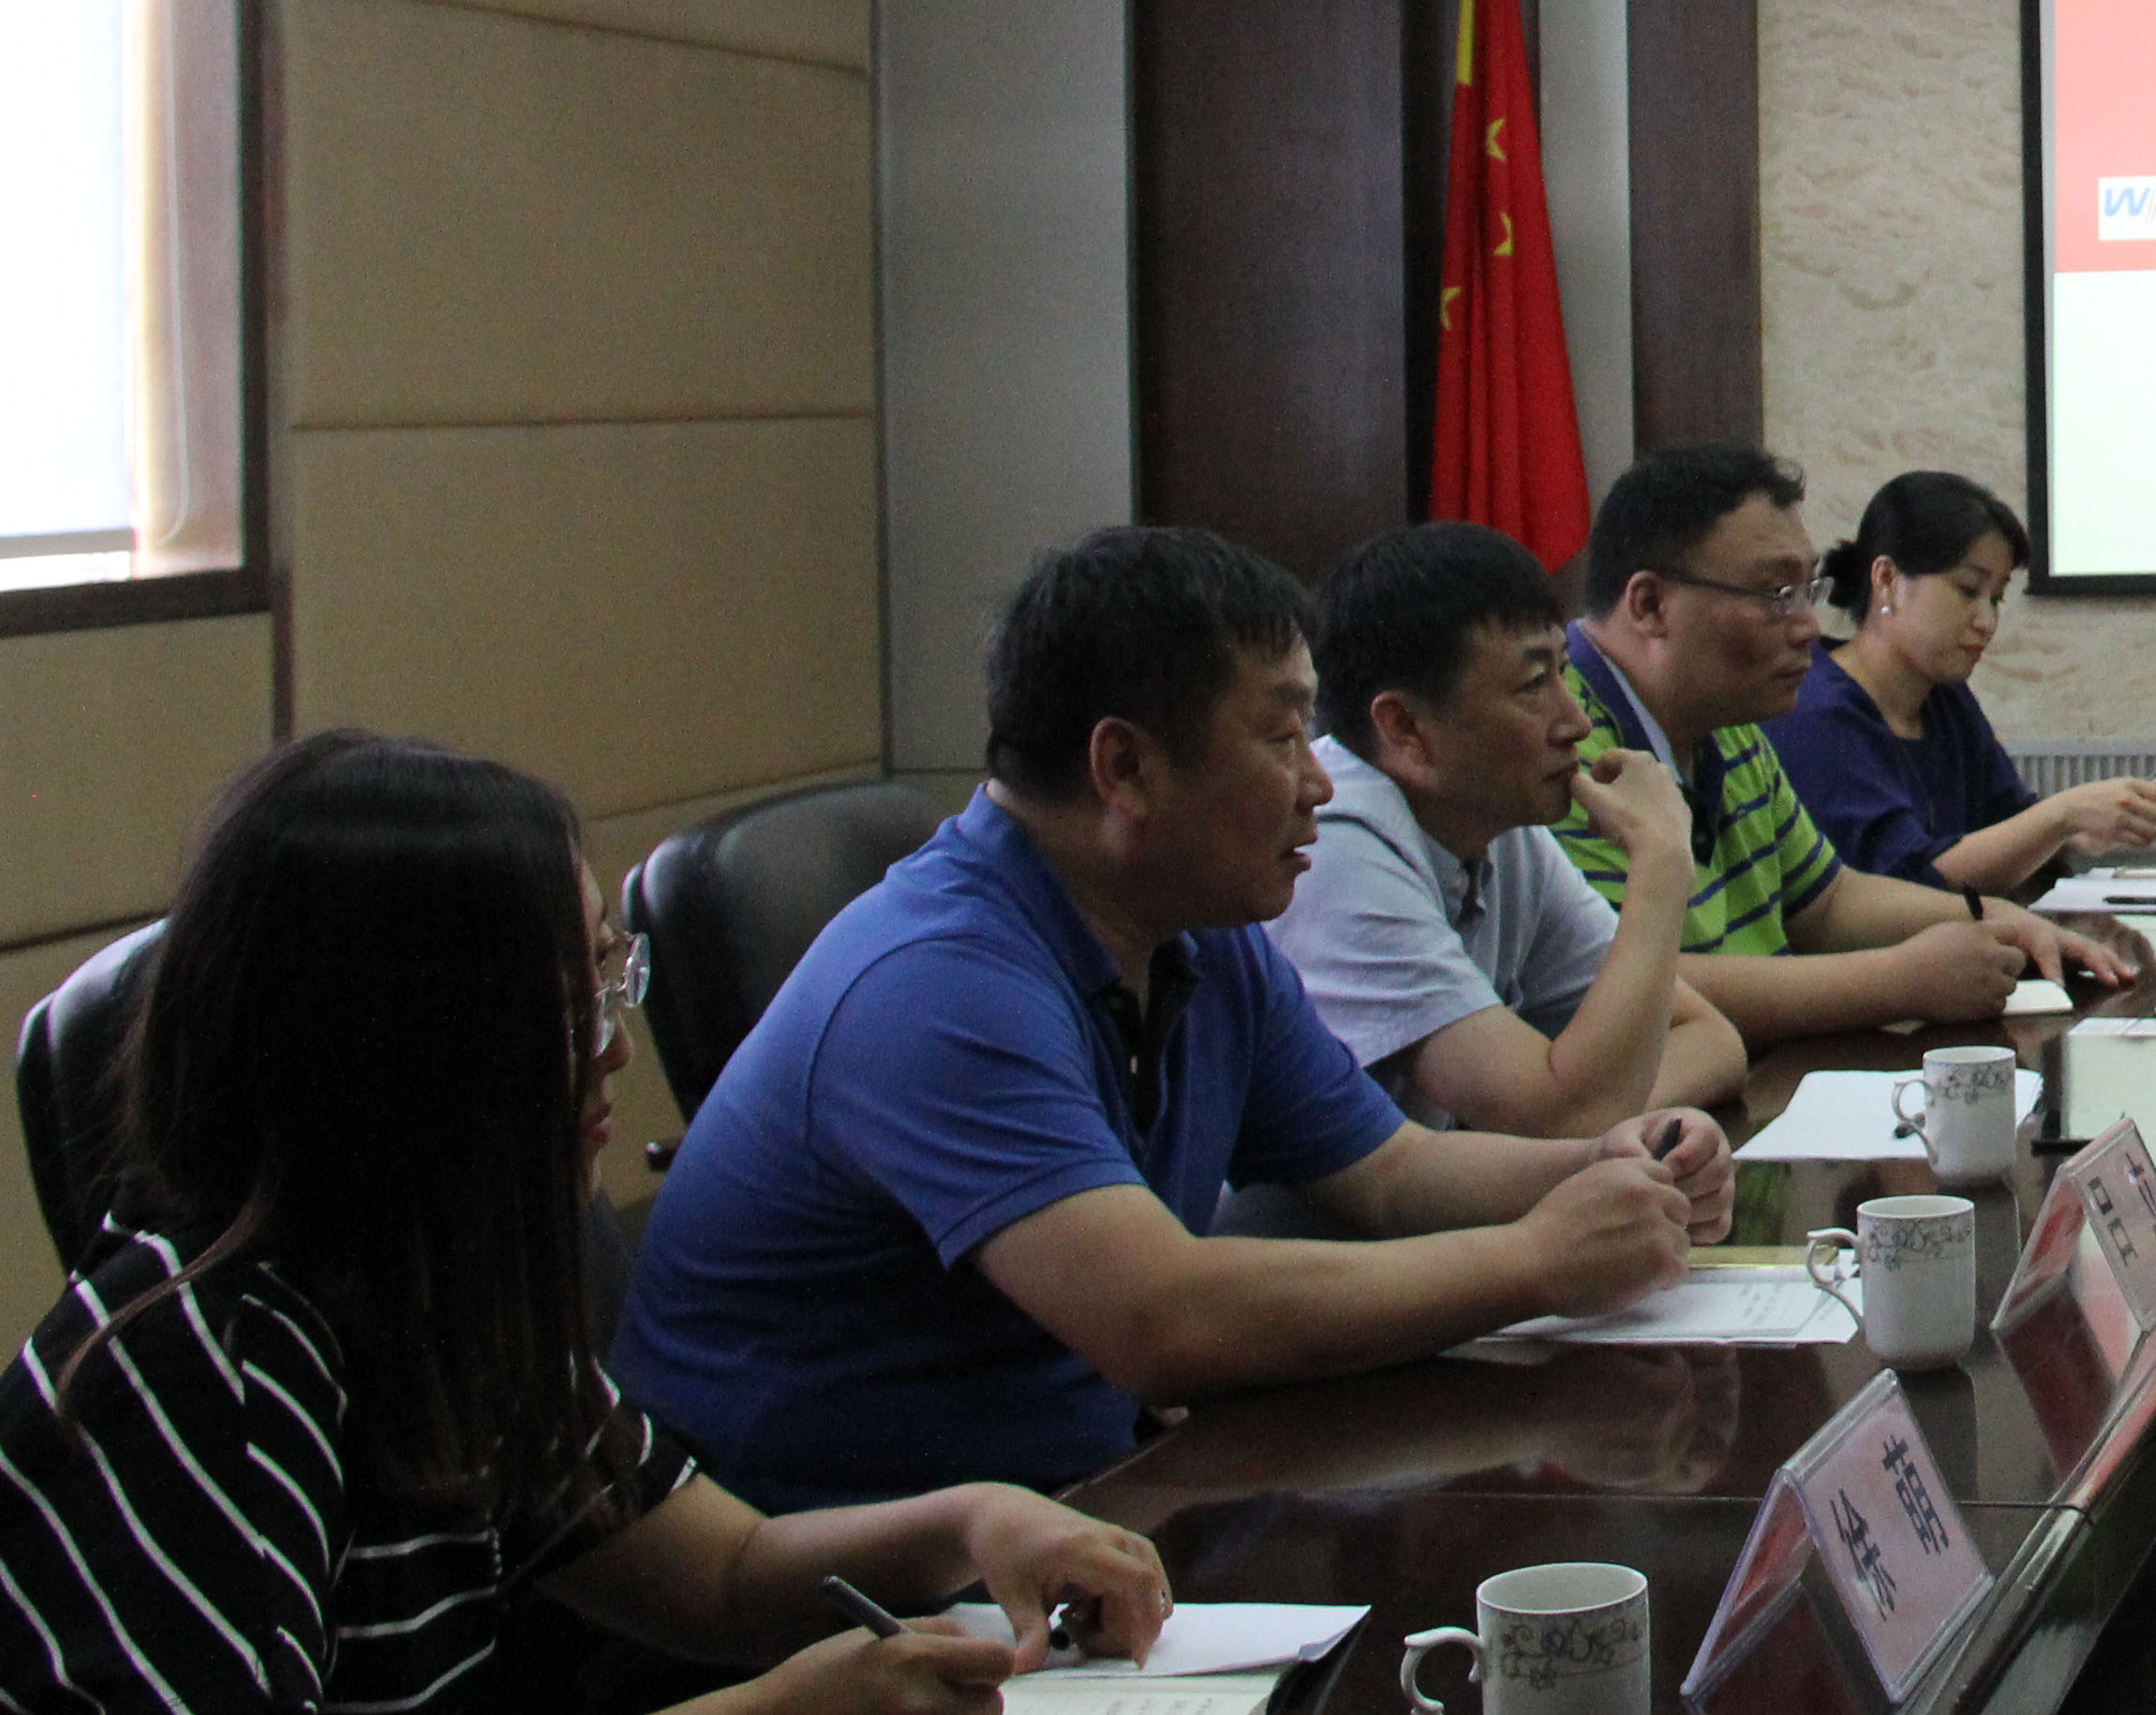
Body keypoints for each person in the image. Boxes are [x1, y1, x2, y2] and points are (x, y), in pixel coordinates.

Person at [0, 735, 1171, 1715]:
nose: (614, 1050)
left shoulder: (430, 1290)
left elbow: (720, 1575)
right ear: (391, 1045)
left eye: (612, 976)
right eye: (567, 1010)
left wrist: (973, 1521)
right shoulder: (196, 1353)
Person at [616, 526, 1732, 1511]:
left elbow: (1391, 1174)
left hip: (1075, 1506)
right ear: (1126, 768)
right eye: (1281, 738)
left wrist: (1613, 1165)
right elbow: (1164, 1322)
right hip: (843, 1585)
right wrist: (1537, 1261)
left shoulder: (1199, 930)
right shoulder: (935, 983)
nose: (1320, 783)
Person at [1553, 447, 2137, 1046]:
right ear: (1651, 605)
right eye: (1777, 593)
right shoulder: (1559, 743)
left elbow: (1827, 901)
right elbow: (1622, 986)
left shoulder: (1728, 723)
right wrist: (1897, 981)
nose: (1809, 626)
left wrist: (1993, 917)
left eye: (1808, 590)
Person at [1267, 521, 1750, 1137]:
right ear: (1405, 727)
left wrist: (1604, 1112)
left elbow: (1710, 1040)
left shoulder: (1496, 821)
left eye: (1563, 673)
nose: (1575, 722)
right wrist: (1661, 862)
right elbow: (1568, 1114)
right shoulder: (1333, 849)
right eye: (1532, 686)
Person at [1765, 470, 2156, 898]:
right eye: (1968, 590)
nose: (1987, 621)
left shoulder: (1944, 696)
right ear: (1887, 580)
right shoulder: (1814, 710)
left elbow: (2008, 822)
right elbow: (1907, 881)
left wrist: (2081, 829)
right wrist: (2064, 815)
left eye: (1996, 599)